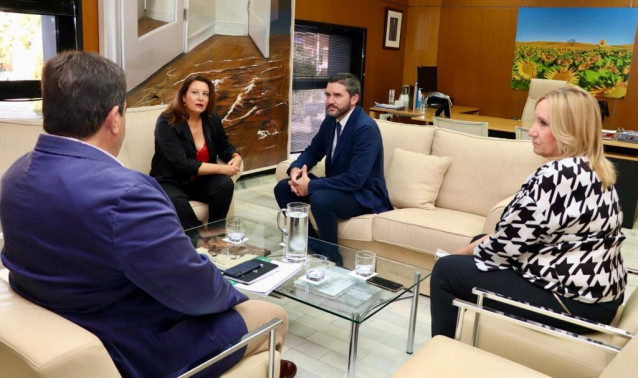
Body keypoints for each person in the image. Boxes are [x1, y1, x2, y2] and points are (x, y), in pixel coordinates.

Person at [0, 51, 296, 378]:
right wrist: (235, 295)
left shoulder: (14, 175)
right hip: (133, 347)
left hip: (57, 326)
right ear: (115, 118)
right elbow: (194, 290)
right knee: (272, 314)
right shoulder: (129, 194)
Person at [430, 85, 627, 338]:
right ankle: (469, 339)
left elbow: (502, 246)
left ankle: (442, 355)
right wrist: (475, 247)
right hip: (597, 296)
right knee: (473, 248)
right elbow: (519, 235)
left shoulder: (558, 175)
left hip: (575, 303)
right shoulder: (592, 167)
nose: (532, 131)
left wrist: (455, 255)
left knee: (447, 270)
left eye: (543, 123)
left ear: (570, 130)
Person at [274, 73, 392, 265]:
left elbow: (355, 179)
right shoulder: (331, 120)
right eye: (327, 95)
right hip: (338, 187)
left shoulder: (365, 129)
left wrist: (310, 186)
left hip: (363, 194)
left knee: (321, 199)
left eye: (337, 96)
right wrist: (296, 169)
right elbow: (313, 151)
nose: (330, 101)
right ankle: (310, 245)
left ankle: (333, 259)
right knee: (283, 187)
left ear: (354, 99)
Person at [150, 74, 242, 229]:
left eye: (205, 94)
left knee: (224, 184)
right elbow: (183, 164)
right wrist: (222, 168)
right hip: (170, 181)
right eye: (195, 92)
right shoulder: (167, 122)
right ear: (183, 97)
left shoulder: (211, 119)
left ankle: (216, 233)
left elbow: (224, 145)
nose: (201, 98)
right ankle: (198, 238)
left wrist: (235, 156)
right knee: (175, 200)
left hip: (199, 181)